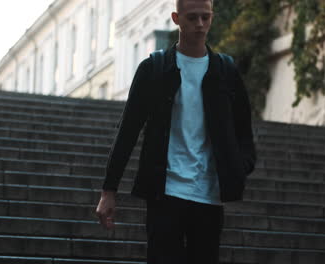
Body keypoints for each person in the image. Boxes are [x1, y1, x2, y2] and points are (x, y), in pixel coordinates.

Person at [95, 0, 256, 263]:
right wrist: (108, 190)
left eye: (206, 17)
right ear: (175, 18)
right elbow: (127, 131)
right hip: (165, 193)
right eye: (192, 18)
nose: (200, 24)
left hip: (209, 194)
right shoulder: (154, 69)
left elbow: (244, 131)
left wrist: (240, 166)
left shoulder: (225, 71)